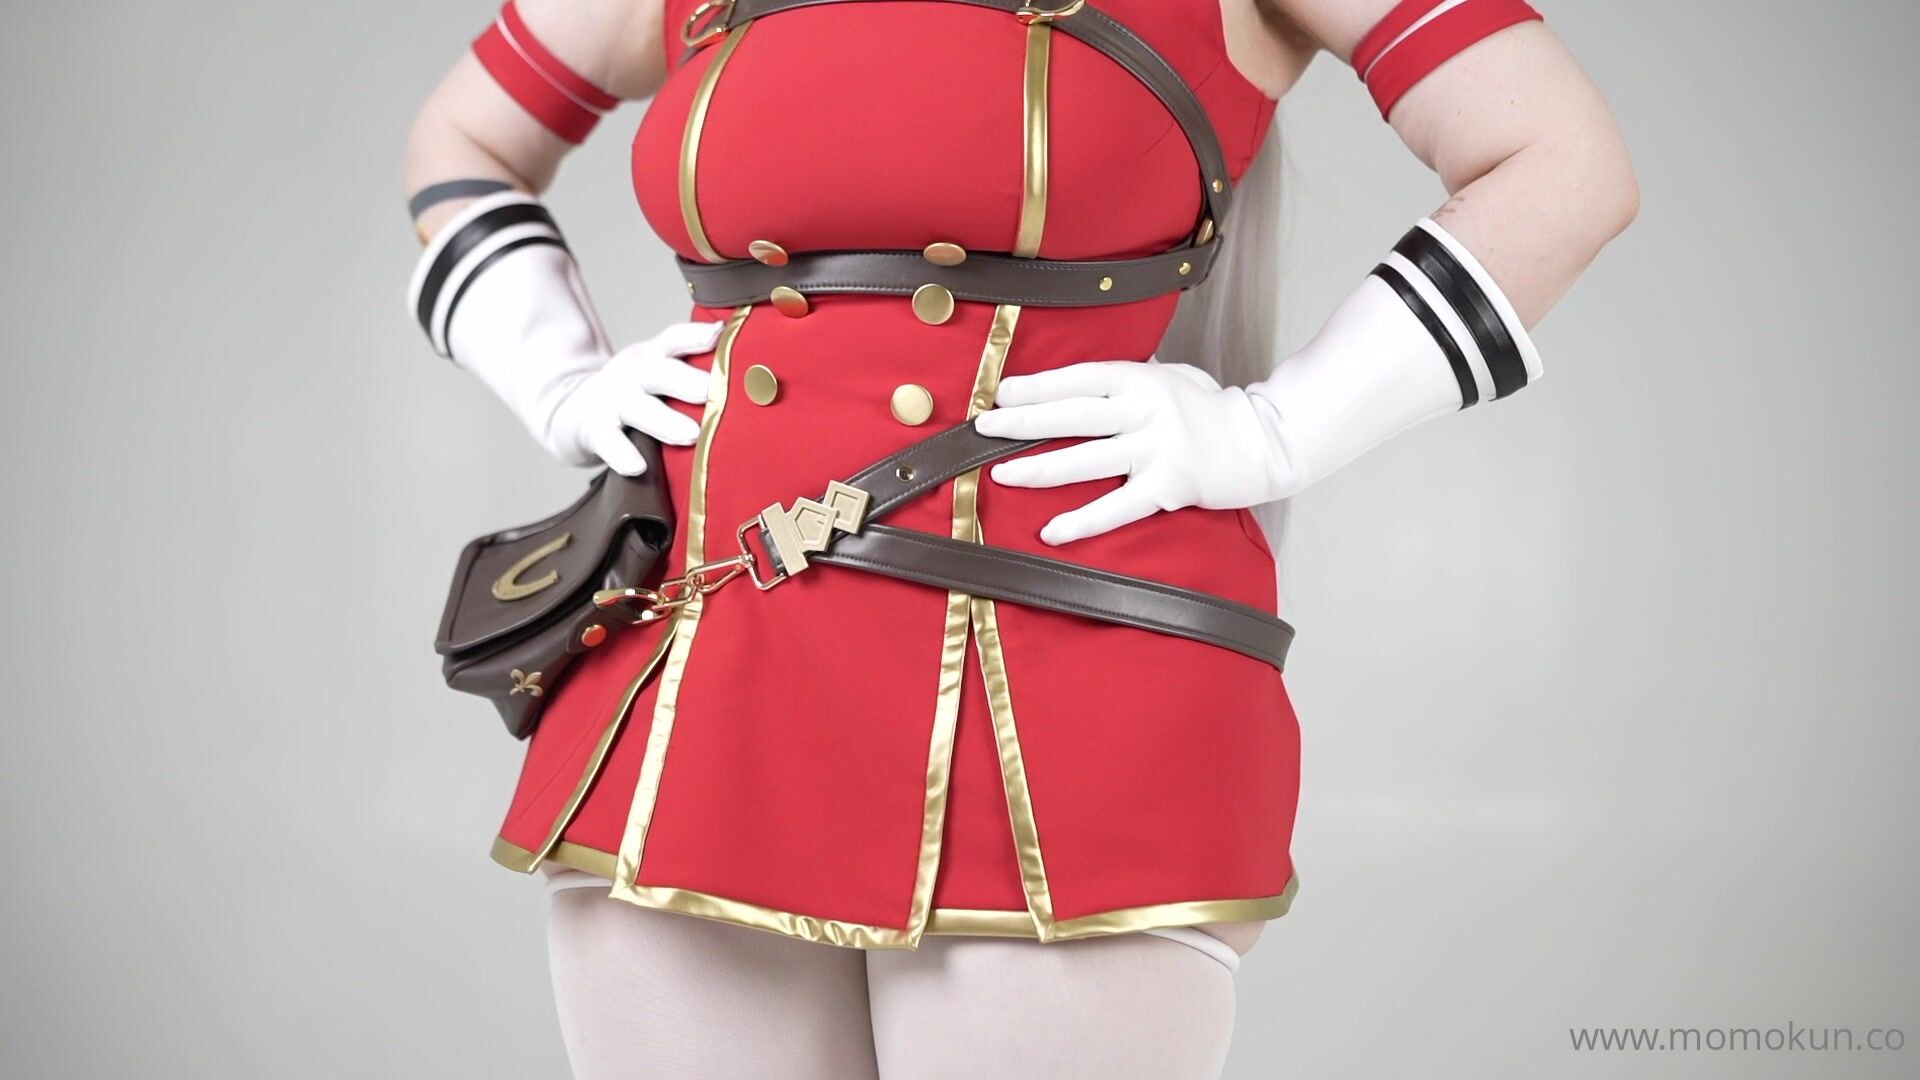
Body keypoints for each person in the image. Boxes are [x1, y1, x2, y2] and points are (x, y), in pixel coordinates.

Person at [401, 0, 1637, 1074]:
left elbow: (1562, 163)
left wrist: (1276, 431)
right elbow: (464, 142)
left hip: (1069, 653)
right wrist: (558, 379)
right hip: (700, 656)